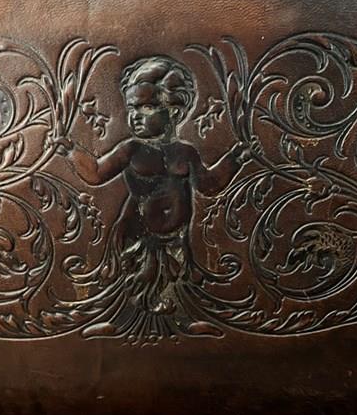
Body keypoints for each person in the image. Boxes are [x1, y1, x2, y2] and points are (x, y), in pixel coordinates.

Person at [51, 55, 257, 343]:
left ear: (174, 111)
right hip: (138, 239)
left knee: (175, 289)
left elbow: (209, 185)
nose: (135, 115)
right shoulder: (131, 149)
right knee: (135, 289)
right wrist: (71, 151)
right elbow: (96, 174)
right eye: (132, 108)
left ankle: (183, 330)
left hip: (175, 240)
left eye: (147, 107)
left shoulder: (185, 152)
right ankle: (119, 328)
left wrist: (235, 159)